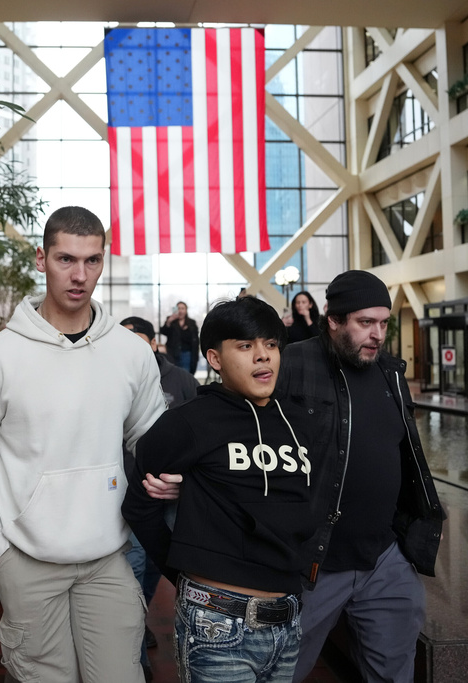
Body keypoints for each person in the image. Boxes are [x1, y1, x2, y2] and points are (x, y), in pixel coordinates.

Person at [144, 270, 444, 683]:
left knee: (395, 672)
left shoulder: (390, 372)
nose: (377, 334)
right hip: (312, 560)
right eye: (365, 323)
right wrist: (197, 482)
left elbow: (405, 453)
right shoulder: (289, 365)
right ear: (333, 320)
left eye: (384, 323)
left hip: (383, 555)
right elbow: (244, 432)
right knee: (281, 665)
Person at [0, 206, 167, 682]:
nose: (79, 275)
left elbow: (151, 439)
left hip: (108, 557)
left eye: (92, 261)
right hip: (27, 559)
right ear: (42, 259)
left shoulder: (130, 353)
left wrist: (171, 479)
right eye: (66, 259)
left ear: (104, 261)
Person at [123, 297, 321, 683]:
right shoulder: (189, 422)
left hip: (288, 620)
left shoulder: (299, 421)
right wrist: (182, 573)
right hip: (217, 623)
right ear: (215, 359)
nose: (262, 356)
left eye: (271, 344)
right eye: (246, 346)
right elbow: (138, 505)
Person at [119, 315, 199, 680]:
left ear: (153, 343)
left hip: (175, 497)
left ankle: (142, 621)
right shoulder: (112, 378)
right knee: (132, 576)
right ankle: (137, 660)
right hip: (131, 496)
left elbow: (199, 436)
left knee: (158, 570)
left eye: (138, 340)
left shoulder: (181, 381)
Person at [161, 301, 199, 374]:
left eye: (183, 308)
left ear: (186, 310)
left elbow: (195, 340)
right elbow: (163, 331)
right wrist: (169, 321)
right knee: (173, 374)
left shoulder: (191, 323)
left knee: (185, 376)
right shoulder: (171, 321)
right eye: (178, 308)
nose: (180, 311)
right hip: (173, 353)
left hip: (187, 354)